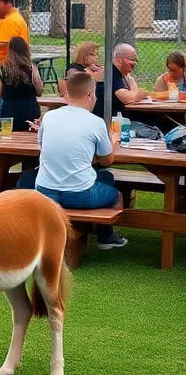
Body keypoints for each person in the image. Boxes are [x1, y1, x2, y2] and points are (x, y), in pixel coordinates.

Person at [17, 71, 127, 250]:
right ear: (91, 94)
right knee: (116, 193)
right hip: (80, 194)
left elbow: (44, 147)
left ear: (68, 93)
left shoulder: (50, 116)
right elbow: (107, 160)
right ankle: (106, 237)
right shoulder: (96, 122)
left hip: (45, 190)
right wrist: (114, 142)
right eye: (95, 95)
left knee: (104, 177)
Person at [0, 36, 43, 133]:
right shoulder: (31, 67)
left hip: (9, 111)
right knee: (31, 139)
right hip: (30, 109)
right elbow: (39, 90)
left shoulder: (2, 68)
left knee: (8, 139)